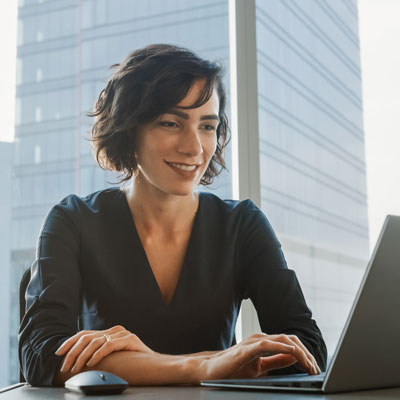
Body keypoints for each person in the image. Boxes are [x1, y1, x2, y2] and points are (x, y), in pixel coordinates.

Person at [19, 43, 327, 387]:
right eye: (171, 123)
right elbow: (41, 356)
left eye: (207, 126)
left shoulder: (242, 224)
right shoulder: (73, 220)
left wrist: (148, 362)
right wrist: (204, 367)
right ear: (128, 128)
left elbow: (308, 351)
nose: (194, 147)